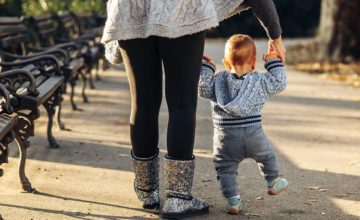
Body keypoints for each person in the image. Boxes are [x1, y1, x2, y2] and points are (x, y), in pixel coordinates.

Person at [101, 0, 286, 218]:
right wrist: (276, 38)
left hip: (130, 7)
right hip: (182, 8)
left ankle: (146, 191)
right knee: (182, 103)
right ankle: (178, 198)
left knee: (143, 104)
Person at [198, 34, 289, 215]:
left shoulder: (218, 82)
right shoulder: (260, 82)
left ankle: (233, 200)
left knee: (225, 168)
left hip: (226, 139)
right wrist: (273, 62)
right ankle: (272, 181)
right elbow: (280, 82)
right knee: (268, 156)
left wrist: (205, 68)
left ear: (226, 62)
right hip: (254, 136)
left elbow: (202, 88)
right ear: (254, 61)